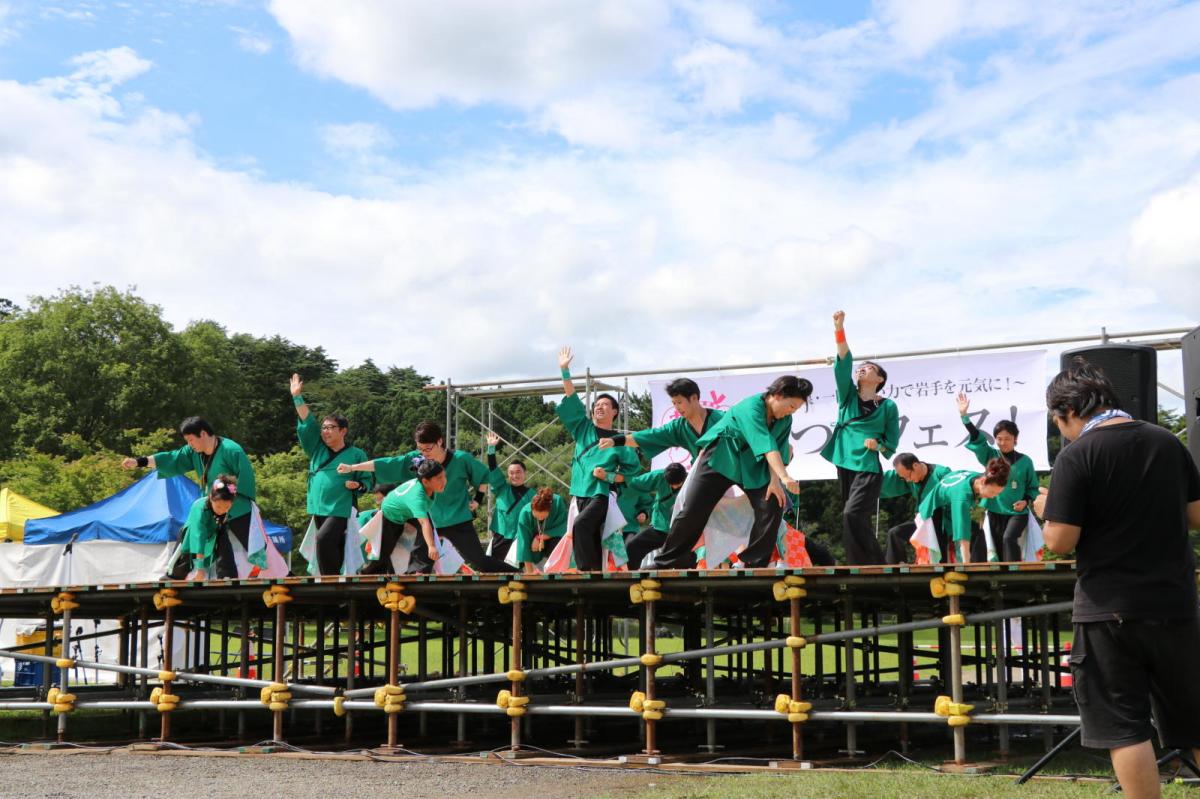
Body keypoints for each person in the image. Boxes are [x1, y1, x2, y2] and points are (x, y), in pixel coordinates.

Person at [1034, 359, 1200, 798]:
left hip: (1109, 609)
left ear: (1066, 412)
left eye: (1058, 422)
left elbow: (1062, 540)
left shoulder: (1077, 454)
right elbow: (1197, 515)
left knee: (1124, 726)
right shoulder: (1167, 442)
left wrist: (1045, 512)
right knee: (1194, 721)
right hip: (1175, 604)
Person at [652, 375, 813, 569]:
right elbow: (767, 445)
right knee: (693, 510)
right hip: (720, 458)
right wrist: (785, 477)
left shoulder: (784, 420)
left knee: (773, 502)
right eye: (791, 406)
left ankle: (753, 562)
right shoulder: (751, 407)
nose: (791, 412)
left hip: (752, 466)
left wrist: (774, 481)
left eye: (795, 409)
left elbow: (777, 448)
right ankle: (666, 562)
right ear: (778, 396)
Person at [339, 421, 513, 573]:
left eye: (428, 448)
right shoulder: (417, 460)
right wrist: (353, 467)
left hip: (457, 519)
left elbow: (483, 476)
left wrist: (478, 499)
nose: (424, 453)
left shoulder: (461, 459)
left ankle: (522, 574)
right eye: (420, 449)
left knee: (481, 562)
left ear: (440, 441)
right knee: (420, 566)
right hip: (428, 521)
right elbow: (388, 463)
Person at [122, 416, 256, 579]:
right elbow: (172, 458)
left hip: (237, 506)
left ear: (203, 434)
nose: (189, 444)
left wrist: (229, 505)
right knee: (189, 531)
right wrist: (139, 462)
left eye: (191, 440)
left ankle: (282, 574)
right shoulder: (194, 453)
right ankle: (176, 574)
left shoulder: (231, 450)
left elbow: (246, 479)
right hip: (211, 506)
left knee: (256, 546)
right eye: (187, 441)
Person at [820, 310, 900, 565]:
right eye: (861, 368)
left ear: (880, 379)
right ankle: (861, 566)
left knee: (852, 514)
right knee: (852, 518)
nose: (862, 370)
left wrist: (879, 445)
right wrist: (839, 329)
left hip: (868, 466)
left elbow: (893, 441)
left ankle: (875, 564)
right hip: (845, 463)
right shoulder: (848, 397)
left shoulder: (887, 406)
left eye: (870, 368)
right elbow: (843, 363)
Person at [556, 347, 642, 570]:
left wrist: (609, 475)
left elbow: (632, 474)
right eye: (596, 405)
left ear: (615, 412)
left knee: (581, 526)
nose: (599, 407)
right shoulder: (583, 429)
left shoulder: (621, 441)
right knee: (590, 533)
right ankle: (596, 573)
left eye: (605, 405)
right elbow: (571, 398)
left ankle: (587, 573)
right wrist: (565, 370)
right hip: (579, 493)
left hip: (602, 494)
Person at [290, 374, 373, 575]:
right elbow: (307, 422)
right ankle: (335, 581)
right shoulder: (316, 448)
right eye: (324, 428)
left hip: (341, 507)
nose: (326, 432)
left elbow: (367, 481)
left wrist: (358, 486)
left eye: (331, 428)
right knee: (330, 544)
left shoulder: (356, 454)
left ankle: (330, 580)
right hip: (317, 505)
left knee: (323, 539)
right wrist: (297, 397)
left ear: (343, 431)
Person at [955, 392, 1040, 562]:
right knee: (996, 547)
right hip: (994, 510)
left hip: (1017, 512)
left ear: (1016, 439)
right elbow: (977, 439)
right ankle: (1001, 583)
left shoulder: (1025, 462)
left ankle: (1014, 576)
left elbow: (1033, 487)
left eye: (1007, 439)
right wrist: (964, 416)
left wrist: (1025, 500)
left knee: (1009, 539)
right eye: (999, 439)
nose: (1003, 442)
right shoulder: (990, 456)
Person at [599, 377, 725, 461]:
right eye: (674, 403)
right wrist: (616, 441)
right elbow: (650, 436)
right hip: (704, 473)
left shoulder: (723, 419)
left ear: (694, 398)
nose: (677, 407)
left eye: (679, 402)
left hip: (732, 470)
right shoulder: (678, 428)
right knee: (690, 500)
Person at [361, 460, 446, 575]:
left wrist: (431, 545)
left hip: (407, 512)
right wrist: (431, 546)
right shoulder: (417, 497)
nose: (444, 481)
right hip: (390, 514)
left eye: (444, 476)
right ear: (425, 482)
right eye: (439, 478)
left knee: (429, 539)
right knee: (382, 555)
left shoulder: (428, 487)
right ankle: (365, 574)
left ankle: (417, 571)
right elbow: (424, 523)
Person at [917, 459, 1010, 563]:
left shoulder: (978, 477)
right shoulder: (962, 496)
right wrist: (966, 565)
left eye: (997, 494)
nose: (994, 496)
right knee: (940, 553)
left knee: (976, 532)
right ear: (983, 481)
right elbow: (962, 533)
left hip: (946, 507)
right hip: (930, 513)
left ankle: (979, 567)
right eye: (993, 492)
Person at [879, 453, 952, 564]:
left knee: (936, 516)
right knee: (894, 533)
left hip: (942, 524)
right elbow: (885, 480)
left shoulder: (941, 473)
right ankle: (895, 569)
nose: (908, 480)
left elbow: (954, 497)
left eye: (908, 476)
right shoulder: (910, 478)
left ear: (916, 466)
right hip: (922, 523)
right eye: (904, 478)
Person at [171, 475, 239, 580]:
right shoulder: (199, 508)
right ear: (211, 498)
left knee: (224, 542)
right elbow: (198, 536)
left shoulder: (224, 511)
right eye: (218, 506)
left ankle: (228, 575)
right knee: (184, 558)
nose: (222, 510)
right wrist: (199, 569)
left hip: (213, 532)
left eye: (226, 507)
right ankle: (173, 577)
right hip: (191, 534)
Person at [622, 463, 688, 570]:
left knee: (689, 556)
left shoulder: (692, 482)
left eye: (678, 484)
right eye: (671, 484)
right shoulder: (659, 476)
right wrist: (614, 479)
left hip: (681, 531)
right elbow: (636, 483)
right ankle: (632, 577)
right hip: (660, 527)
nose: (674, 487)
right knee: (632, 546)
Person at [484, 432, 532, 564]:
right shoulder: (502, 488)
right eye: (511, 473)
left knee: (518, 571)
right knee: (495, 571)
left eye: (518, 472)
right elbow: (493, 468)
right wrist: (491, 448)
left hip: (521, 538)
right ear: (507, 475)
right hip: (501, 536)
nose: (515, 476)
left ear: (524, 473)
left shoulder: (532, 495)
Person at [512, 487, 568, 574]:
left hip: (551, 542)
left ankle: (558, 571)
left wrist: (540, 537)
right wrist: (530, 574)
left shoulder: (557, 503)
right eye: (536, 516)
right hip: (531, 549)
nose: (540, 519)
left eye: (542, 517)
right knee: (522, 548)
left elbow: (564, 527)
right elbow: (523, 545)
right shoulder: (525, 513)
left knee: (559, 542)